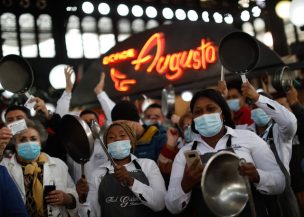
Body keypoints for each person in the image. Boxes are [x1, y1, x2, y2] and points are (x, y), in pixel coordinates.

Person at [165, 89, 285, 217]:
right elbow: (172, 207)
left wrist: (257, 176)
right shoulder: (184, 153)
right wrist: (185, 184)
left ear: (222, 114)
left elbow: (280, 182)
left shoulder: (248, 138)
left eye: (210, 109)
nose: (204, 115)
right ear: (194, 118)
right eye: (198, 112)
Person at [77, 121, 166, 217]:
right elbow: (92, 214)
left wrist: (131, 181)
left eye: (122, 135)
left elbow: (160, 204)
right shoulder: (97, 174)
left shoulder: (148, 165)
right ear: (106, 145)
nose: (117, 139)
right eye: (111, 137)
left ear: (131, 141)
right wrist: (83, 199)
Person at [241, 82, 300, 217]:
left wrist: (258, 98)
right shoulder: (244, 132)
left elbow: (290, 122)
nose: (257, 109)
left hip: (281, 193)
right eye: (254, 106)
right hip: (256, 192)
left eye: (261, 106)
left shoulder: (280, 131)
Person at [1, 119, 78, 217]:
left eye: (33, 139)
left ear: (40, 143)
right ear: (15, 145)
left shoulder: (58, 164)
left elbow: (73, 193)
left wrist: (67, 198)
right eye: (23, 140)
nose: (29, 143)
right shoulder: (4, 166)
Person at [275, 86, 304, 216]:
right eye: (277, 108)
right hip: (289, 190)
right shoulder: (274, 132)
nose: (280, 112)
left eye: (283, 106)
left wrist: (294, 103)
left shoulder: (299, 124)